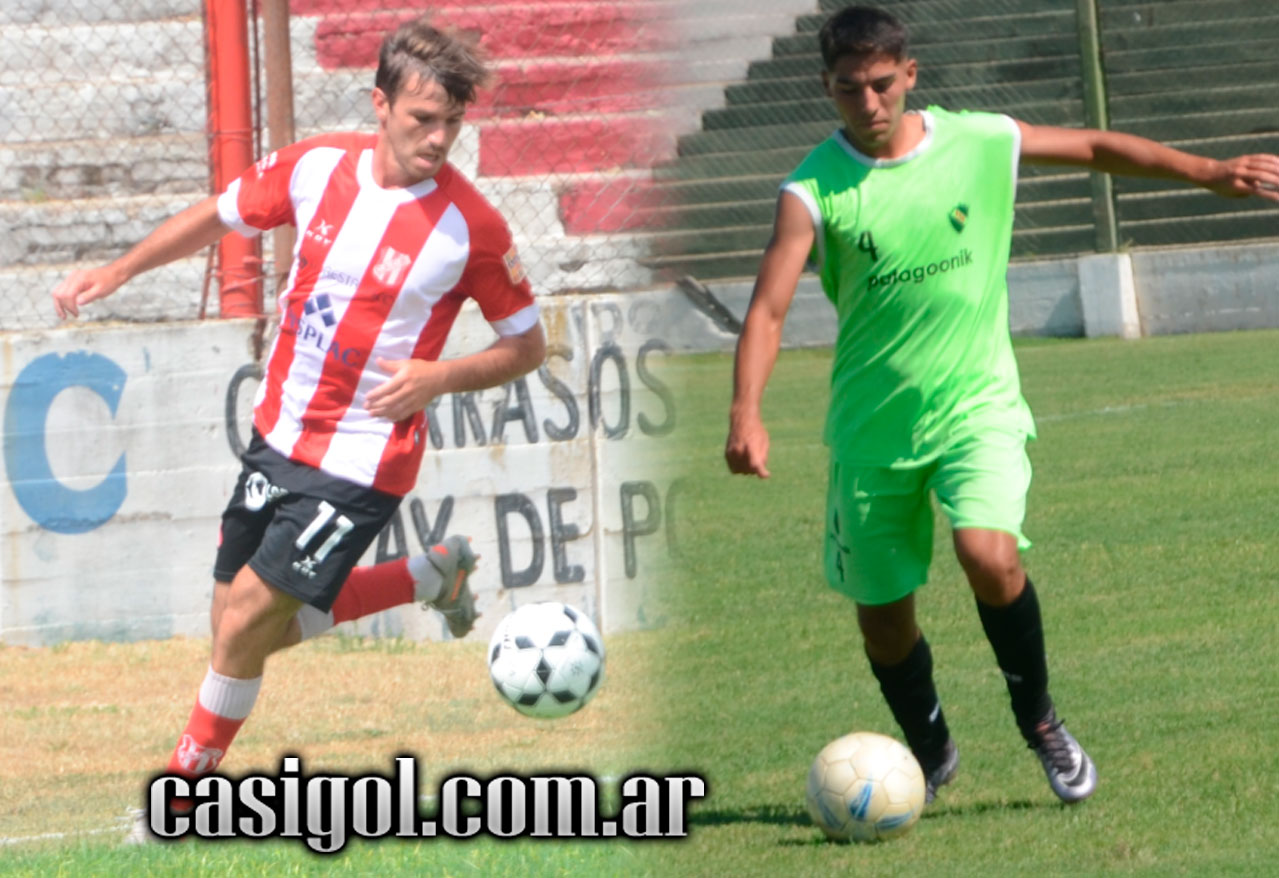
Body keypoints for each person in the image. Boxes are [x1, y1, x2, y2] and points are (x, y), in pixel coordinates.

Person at [724, 5, 1279, 806]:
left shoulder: (977, 140)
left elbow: (1092, 147)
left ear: (909, 74)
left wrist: (1206, 171)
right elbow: (768, 310)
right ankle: (929, 750)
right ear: (826, 87)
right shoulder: (811, 188)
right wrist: (745, 413)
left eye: (880, 84)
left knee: (988, 555)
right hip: (871, 429)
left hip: (975, 407)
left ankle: (1040, 721)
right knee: (882, 618)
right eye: (848, 89)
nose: (868, 103)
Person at [51, 17, 546, 834]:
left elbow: (526, 345)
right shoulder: (317, 168)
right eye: (423, 119)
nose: (438, 139)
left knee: (246, 620)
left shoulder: (472, 228)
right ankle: (425, 577)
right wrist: (118, 270)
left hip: (363, 459)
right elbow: (220, 214)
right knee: (237, 631)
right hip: (278, 435)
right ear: (379, 104)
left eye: (453, 123)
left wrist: (440, 376)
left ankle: (179, 801)